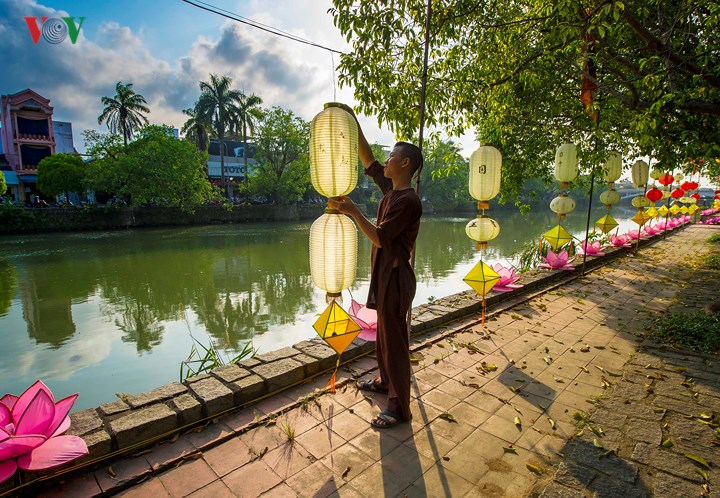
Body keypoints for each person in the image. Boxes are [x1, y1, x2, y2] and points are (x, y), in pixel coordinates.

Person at [329, 105, 423, 428]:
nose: (387, 160)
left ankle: (399, 408)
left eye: (393, 156)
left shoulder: (408, 201)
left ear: (405, 163)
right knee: (383, 337)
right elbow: (368, 159)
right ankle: (385, 383)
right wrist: (351, 120)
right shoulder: (391, 190)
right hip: (384, 276)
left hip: (395, 278)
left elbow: (381, 238)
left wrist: (355, 212)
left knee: (395, 344)